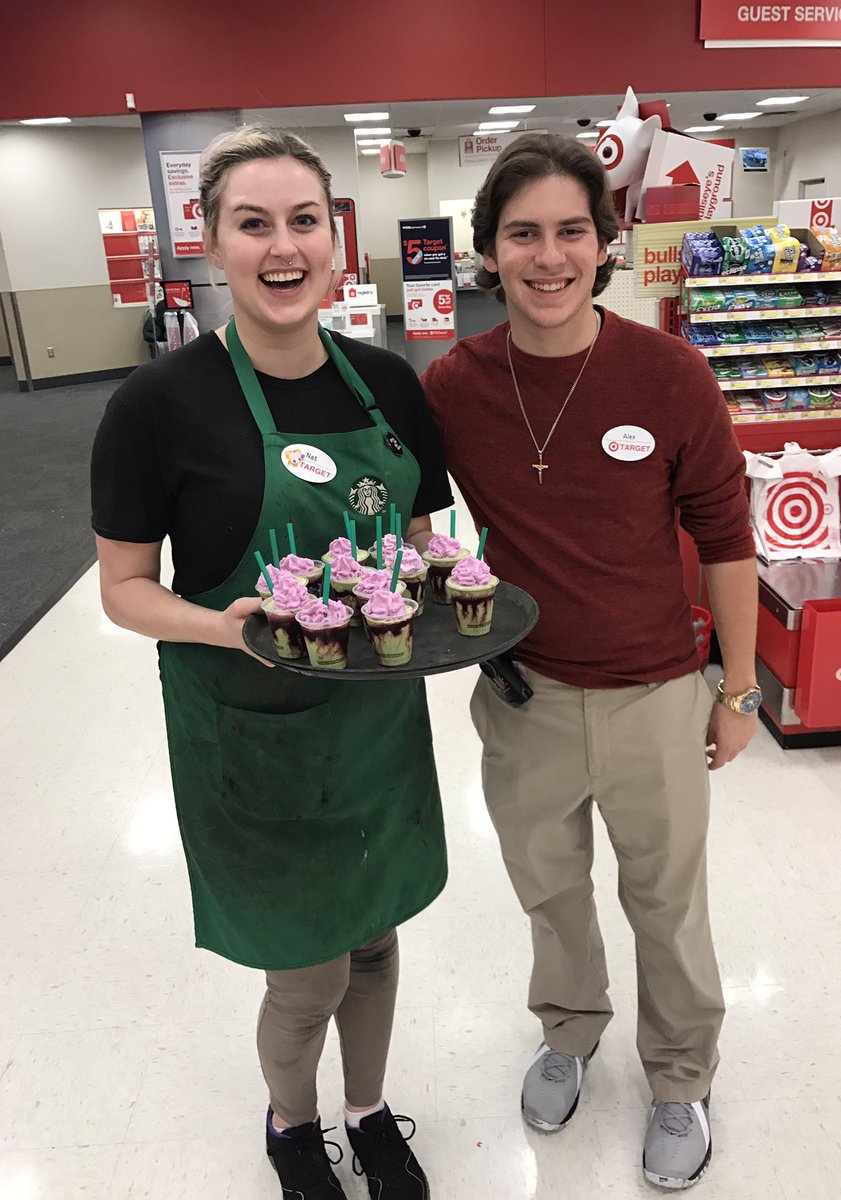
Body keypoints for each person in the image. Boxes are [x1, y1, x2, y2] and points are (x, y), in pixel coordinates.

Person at [91, 126, 453, 1200]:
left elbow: (426, 538)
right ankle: (293, 1125)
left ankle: (370, 1109)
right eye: (254, 224)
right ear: (211, 245)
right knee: (309, 973)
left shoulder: (389, 383)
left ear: (336, 246)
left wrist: (440, 585)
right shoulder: (156, 407)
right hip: (252, 734)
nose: (282, 246)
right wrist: (230, 624)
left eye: (304, 221)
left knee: (378, 944)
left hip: (375, 722)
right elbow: (121, 591)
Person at [421, 133, 760, 1191]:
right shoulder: (454, 385)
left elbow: (725, 539)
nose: (549, 255)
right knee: (550, 891)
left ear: (605, 245)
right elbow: (426, 523)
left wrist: (737, 689)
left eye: (572, 230)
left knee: (667, 901)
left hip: (657, 693)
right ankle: (568, 1029)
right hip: (522, 696)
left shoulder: (668, 373)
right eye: (523, 233)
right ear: (488, 252)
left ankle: (680, 1076)